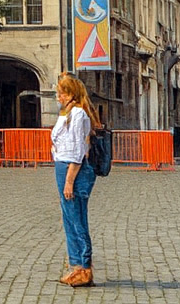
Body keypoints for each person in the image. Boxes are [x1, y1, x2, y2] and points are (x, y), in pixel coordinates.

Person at [51, 73, 102, 288]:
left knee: (76, 218)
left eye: (61, 93)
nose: (58, 97)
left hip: (74, 169)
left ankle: (84, 267)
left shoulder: (79, 114)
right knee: (69, 218)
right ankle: (76, 266)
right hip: (63, 165)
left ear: (71, 95)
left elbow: (77, 149)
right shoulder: (68, 113)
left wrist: (69, 181)